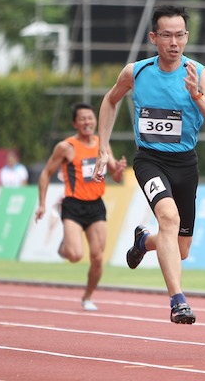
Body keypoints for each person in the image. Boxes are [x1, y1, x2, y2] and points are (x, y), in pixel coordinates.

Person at [92, 5, 205, 324]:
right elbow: (110, 101)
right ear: (154, 37)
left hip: (185, 163)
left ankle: (144, 241)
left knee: (180, 249)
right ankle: (178, 301)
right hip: (150, 160)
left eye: (179, 35)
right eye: (166, 35)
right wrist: (103, 147)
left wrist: (198, 96)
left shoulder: (199, 73)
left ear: (187, 37)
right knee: (167, 215)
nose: (173, 42)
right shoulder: (136, 72)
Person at [35, 102, 127, 311]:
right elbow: (46, 173)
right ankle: (65, 246)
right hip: (73, 206)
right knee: (75, 256)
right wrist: (42, 203)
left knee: (97, 258)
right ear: (75, 123)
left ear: (96, 121)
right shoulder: (66, 147)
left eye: (90, 118)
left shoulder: (102, 143)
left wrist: (119, 169)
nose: (87, 122)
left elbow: (115, 174)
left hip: (96, 206)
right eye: (83, 119)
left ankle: (87, 296)